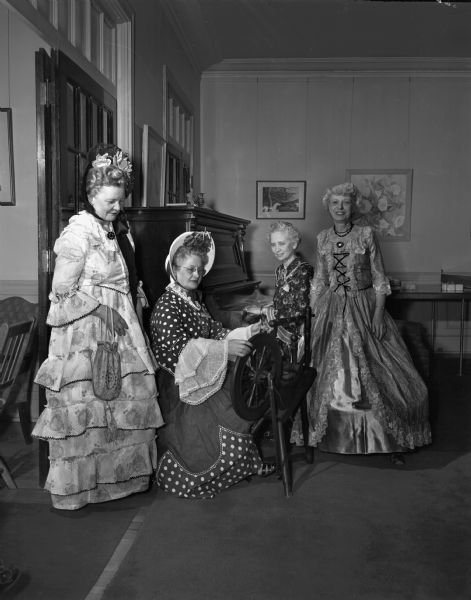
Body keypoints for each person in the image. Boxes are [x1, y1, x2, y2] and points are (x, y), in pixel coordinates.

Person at [32, 144, 163, 510]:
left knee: (123, 399)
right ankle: (83, 489)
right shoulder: (79, 232)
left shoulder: (115, 228)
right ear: (92, 195)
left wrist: (134, 301)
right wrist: (102, 312)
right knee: (87, 405)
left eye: (120, 200)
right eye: (110, 201)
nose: (118, 207)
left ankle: (120, 482)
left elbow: (124, 276)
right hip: (87, 329)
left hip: (122, 325)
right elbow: (61, 291)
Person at [291, 183, 431, 463]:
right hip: (331, 307)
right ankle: (327, 433)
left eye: (344, 203)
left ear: (352, 206)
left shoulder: (366, 235)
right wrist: (311, 312)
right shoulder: (322, 238)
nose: (340, 208)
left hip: (364, 306)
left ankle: (391, 438)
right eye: (335, 203)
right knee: (321, 367)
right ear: (328, 208)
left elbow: (380, 278)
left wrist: (378, 314)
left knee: (380, 370)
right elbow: (319, 279)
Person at [150, 231, 276, 499]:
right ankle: (198, 476)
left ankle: (240, 465)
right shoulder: (167, 306)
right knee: (230, 403)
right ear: (174, 269)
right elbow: (180, 351)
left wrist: (248, 331)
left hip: (201, 372)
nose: (196, 275)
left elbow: (215, 332)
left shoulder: (193, 301)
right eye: (189, 269)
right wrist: (225, 349)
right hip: (181, 385)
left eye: (200, 269)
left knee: (241, 394)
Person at [247, 221, 314, 359]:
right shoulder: (280, 270)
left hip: (294, 326)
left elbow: (300, 309)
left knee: (257, 332)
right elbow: (280, 300)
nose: (276, 249)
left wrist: (265, 311)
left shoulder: (304, 269)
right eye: (273, 244)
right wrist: (266, 307)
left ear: (294, 244)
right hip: (280, 320)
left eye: (281, 244)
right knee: (248, 325)